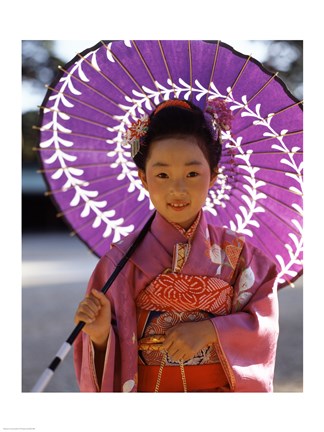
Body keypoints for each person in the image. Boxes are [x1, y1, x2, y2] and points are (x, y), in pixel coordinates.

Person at [73, 98, 279, 392]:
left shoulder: (242, 256)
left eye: (193, 173)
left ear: (214, 176)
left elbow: (264, 326)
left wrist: (210, 331)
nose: (177, 189)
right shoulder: (119, 261)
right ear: (144, 178)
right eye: (162, 174)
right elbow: (104, 348)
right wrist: (99, 335)